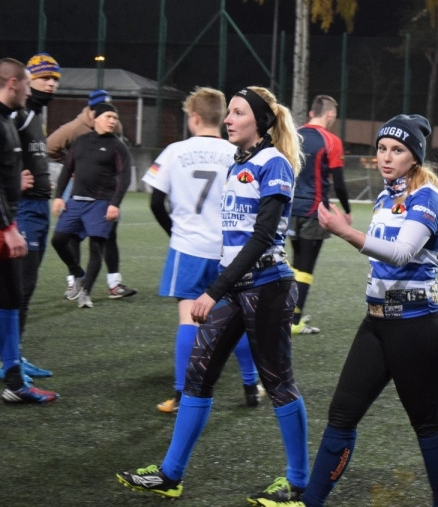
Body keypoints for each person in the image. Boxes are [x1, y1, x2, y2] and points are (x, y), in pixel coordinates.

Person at [118, 86, 309, 506]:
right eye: (229, 113)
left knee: (279, 384)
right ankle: (170, 475)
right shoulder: (236, 162)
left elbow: (262, 237)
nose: (228, 119)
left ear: (259, 121)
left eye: (238, 113)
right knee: (198, 377)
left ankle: (299, 483)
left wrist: (213, 289)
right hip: (237, 286)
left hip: (267, 287)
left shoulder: (273, 162)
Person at [304, 114, 438, 506]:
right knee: (340, 416)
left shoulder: (429, 196)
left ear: (415, 157)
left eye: (398, 150)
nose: (387, 157)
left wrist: (344, 231)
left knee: (427, 424)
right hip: (376, 323)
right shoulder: (387, 196)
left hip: (417, 327)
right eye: (382, 149)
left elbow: (403, 254)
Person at [142, 87, 265, 414]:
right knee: (234, 319)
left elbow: (156, 201)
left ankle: (182, 396)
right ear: (223, 117)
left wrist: (176, 233)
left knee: (189, 320)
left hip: (189, 249)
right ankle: (252, 386)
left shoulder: (174, 151)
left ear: (194, 117)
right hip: (230, 251)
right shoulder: (237, 153)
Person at [0, 58, 59, 404]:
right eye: (30, 81)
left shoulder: (8, 121)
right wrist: (8, 225)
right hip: (11, 219)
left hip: (12, 216)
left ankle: (14, 378)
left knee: (12, 295)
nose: (34, 88)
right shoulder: (11, 119)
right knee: (13, 293)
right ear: (14, 83)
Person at [48, 89, 137, 299]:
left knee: (108, 235)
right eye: (101, 109)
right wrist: (72, 166)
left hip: (104, 191)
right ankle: (74, 282)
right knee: (70, 238)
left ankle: (114, 284)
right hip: (78, 189)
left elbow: (119, 154)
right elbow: (48, 146)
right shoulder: (74, 128)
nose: (112, 120)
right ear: (90, 111)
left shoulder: (113, 124)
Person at [13, 53, 61, 379]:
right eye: (45, 78)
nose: (51, 84)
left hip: (40, 209)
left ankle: (13, 354)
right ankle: (8, 361)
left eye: (55, 79)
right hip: (24, 210)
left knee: (26, 288)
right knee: (19, 286)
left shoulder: (34, 114)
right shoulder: (16, 113)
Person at [288, 94, 351, 336]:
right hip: (315, 212)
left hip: (291, 209)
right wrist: (346, 210)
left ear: (312, 113)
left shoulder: (294, 135)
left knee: (294, 265)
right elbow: (340, 183)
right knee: (305, 268)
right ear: (330, 115)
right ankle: (293, 321)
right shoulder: (331, 141)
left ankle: (289, 314)